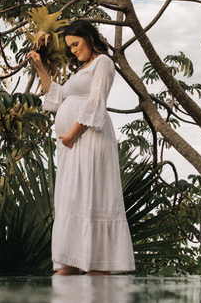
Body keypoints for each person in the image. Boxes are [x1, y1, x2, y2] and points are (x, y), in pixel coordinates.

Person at [27, 20, 135, 275]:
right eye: (70, 47)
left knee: (91, 194)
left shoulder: (102, 63)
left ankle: (98, 263)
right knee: (73, 196)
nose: (73, 50)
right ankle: (74, 261)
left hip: (89, 138)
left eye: (76, 44)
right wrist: (40, 67)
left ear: (89, 38)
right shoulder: (81, 71)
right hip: (73, 144)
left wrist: (72, 135)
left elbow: (97, 101)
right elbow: (57, 98)